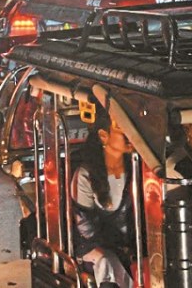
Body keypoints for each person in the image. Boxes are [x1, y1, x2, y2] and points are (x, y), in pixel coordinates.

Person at [71, 112, 134, 288]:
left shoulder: (136, 168)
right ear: (103, 136)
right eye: (121, 130)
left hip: (130, 242)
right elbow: (84, 225)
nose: (129, 136)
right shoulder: (85, 175)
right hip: (93, 245)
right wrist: (116, 247)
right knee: (108, 262)